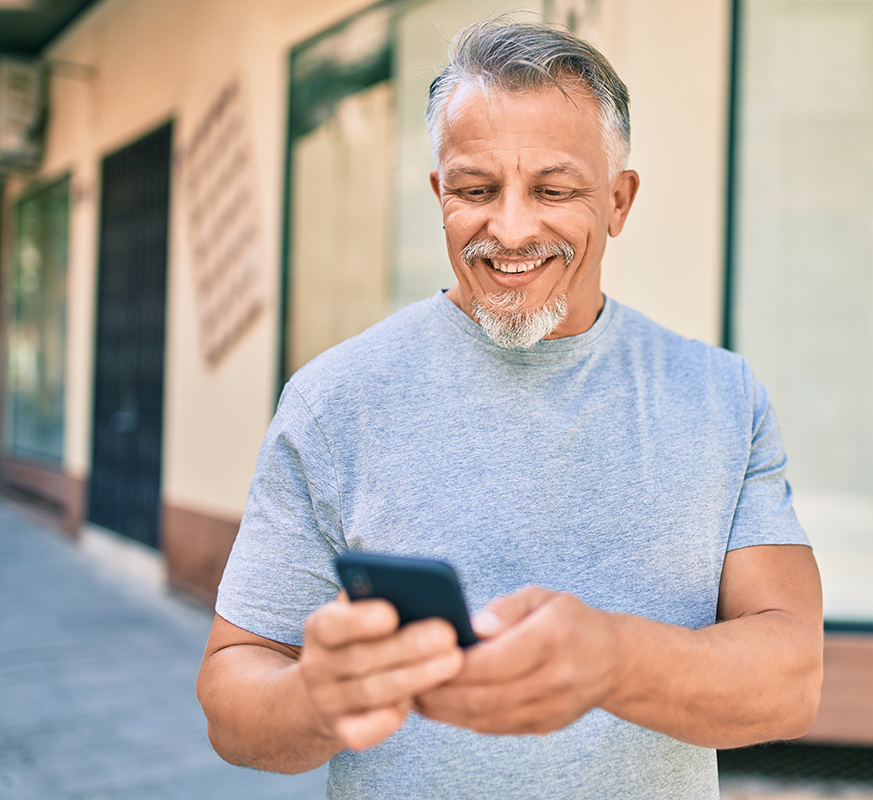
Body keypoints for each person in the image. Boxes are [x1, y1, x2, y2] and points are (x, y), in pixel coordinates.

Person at [196, 18, 822, 800]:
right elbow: (232, 698)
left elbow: (791, 681)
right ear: (438, 194)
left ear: (620, 200)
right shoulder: (331, 402)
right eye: (475, 189)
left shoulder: (721, 398)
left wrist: (613, 660)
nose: (512, 229)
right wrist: (314, 699)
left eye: (555, 190)